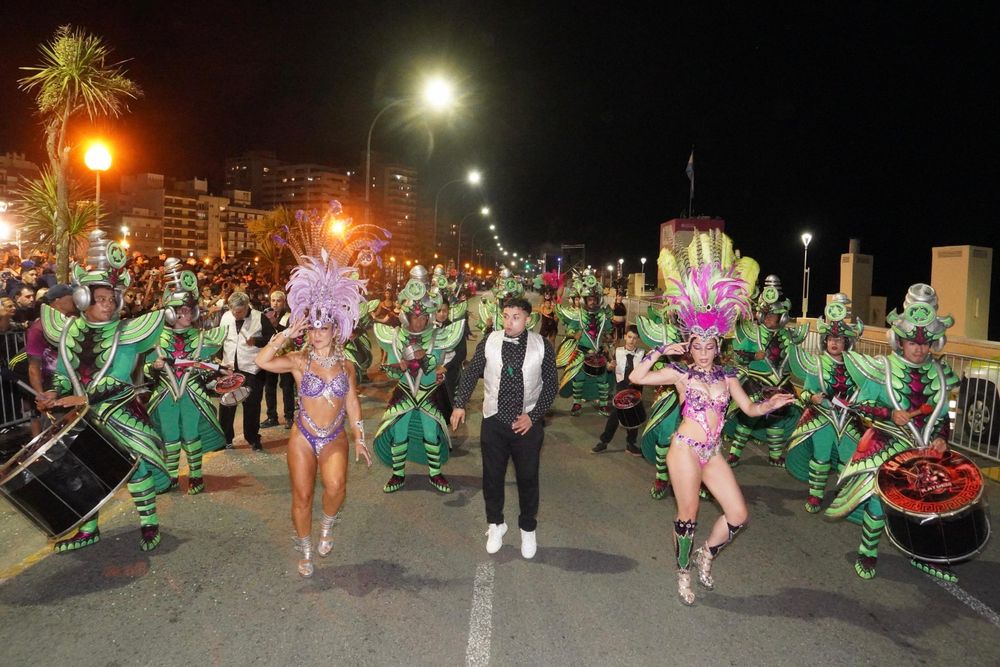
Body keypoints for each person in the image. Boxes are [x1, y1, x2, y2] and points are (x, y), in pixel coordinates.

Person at [629, 230, 793, 605]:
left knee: (738, 515)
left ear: (719, 346)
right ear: (690, 346)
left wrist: (769, 405)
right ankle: (683, 573)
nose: (703, 352)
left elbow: (749, 409)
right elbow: (636, 377)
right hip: (685, 448)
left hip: (712, 451)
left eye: (709, 345)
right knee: (688, 513)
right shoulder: (681, 373)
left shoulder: (728, 375)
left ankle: (707, 554)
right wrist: (658, 351)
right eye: (697, 345)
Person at [40, 231, 170, 552]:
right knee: (87, 473)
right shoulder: (70, 329)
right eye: (101, 299)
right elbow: (63, 372)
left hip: (119, 412)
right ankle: (88, 529)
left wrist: (80, 399)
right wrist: (53, 395)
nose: (109, 305)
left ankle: (149, 522)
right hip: (83, 416)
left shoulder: (125, 333)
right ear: (83, 299)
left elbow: (119, 378)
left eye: (113, 299)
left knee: (134, 466)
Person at [832, 284, 962, 581]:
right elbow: (861, 406)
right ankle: (868, 551)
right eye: (913, 342)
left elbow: (942, 416)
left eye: (926, 343)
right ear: (899, 341)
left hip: (924, 450)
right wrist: (889, 414)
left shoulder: (941, 374)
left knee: (930, 503)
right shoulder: (882, 369)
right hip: (887, 443)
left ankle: (924, 554)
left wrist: (943, 437)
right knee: (881, 500)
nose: (919, 349)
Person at [255, 254, 371, 578]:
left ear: (336, 329)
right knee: (302, 495)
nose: (317, 334)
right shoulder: (297, 360)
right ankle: (305, 548)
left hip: (334, 436)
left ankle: (327, 525)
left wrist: (360, 436)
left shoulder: (346, 365)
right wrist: (284, 335)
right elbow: (263, 362)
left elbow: (351, 403)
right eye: (313, 328)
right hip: (303, 436)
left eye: (324, 328)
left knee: (336, 487)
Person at [451, 297, 558, 559]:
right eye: (506, 315)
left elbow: (551, 386)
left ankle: (527, 528)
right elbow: (472, 370)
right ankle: (496, 524)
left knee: (528, 479)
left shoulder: (542, 345)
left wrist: (533, 416)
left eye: (515, 317)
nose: (508, 322)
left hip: (527, 426)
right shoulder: (490, 340)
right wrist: (459, 403)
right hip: (494, 421)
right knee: (492, 477)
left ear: (528, 319)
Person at [372, 267, 465, 493]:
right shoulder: (395, 336)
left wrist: (428, 360)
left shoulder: (438, 336)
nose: (419, 321)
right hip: (404, 392)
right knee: (398, 432)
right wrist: (396, 368)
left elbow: (438, 367)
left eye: (424, 316)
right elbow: (393, 374)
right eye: (415, 316)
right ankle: (398, 474)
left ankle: (435, 474)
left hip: (428, 394)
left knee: (431, 433)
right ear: (406, 315)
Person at [145, 260, 227, 494]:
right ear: (171, 312)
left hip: (192, 394)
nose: (187, 314)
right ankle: (171, 476)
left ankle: (196, 476)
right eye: (182, 310)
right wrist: (154, 367)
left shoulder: (203, 337)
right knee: (170, 437)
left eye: (190, 309)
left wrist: (216, 370)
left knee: (191, 435)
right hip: (165, 394)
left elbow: (206, 367)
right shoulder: (156, 338)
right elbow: (143, 368)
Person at [784, 294, 864, 512]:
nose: (834, 342)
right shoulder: (817, 364)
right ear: (825, 341)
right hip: (822, 418)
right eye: (830, 339)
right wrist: (812, 397)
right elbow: (806, 392)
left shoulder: (857, 366)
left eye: (839, 339)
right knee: (821, 457)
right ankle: (816, 496)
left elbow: (864, 390)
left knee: (848, 459)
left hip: (847, 420)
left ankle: (843, 494)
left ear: (847, 342)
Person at [725, 275, 807, 467]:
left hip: (781, 384)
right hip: (756, 382)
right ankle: (735, 454)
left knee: (777, 422)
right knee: (748, 420)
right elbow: (738, 354)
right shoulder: (752, 333)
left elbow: (797, 361)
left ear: (782, 317)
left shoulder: (789, 336)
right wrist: (754, 356)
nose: (770, 318)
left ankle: (775, 455)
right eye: (767, 314)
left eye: (774, 315)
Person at [556, 268, 613, 416]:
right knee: (578, 379)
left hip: (599, 353)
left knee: (603, 379)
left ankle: (603, 404)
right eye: (589, 299)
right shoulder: (577, 315)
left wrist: (608, 342)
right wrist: (572, 335)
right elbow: (570, 330)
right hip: (581, 353)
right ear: (584, 300)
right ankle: (576, 404)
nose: (592, 302)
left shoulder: (603, 314)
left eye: (594, 299)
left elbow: (608, 332)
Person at [219, 291, 270, 450]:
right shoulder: (226, 316)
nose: (235, 314)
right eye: (233, 311)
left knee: (252, 406)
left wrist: (256, 341)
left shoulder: (260, 317)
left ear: (247, 306)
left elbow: (272, 339)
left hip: (252, 369)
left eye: (239, 311)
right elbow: (219, 339)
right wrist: (219, 362)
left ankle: (253, 438)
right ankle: (225, 439)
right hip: (229, 368)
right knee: (227, 404)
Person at [592, 325, 645, 455]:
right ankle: (604, 442)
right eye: (630, 337)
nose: (632, 340)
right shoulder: (618, 351)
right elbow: (610, 368)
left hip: (636, 388)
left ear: (638, 339)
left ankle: (631, 444)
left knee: (633, 417)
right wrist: (610, 366)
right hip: (621, 387)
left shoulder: (643, 353)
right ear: (625, 337)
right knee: (615, 416)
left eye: (635, 338)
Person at [261, 290, 295, 429]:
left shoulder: (289, 317)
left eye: (278, 301)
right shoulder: (265, 316)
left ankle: (289, 417)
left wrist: (276, 325)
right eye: (273, 300)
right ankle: (271, 416)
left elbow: (290, 336)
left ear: (284, 302)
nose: (275, 303)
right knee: (269, 387)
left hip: (286, 356)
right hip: (270, 358)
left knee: (287, 387)